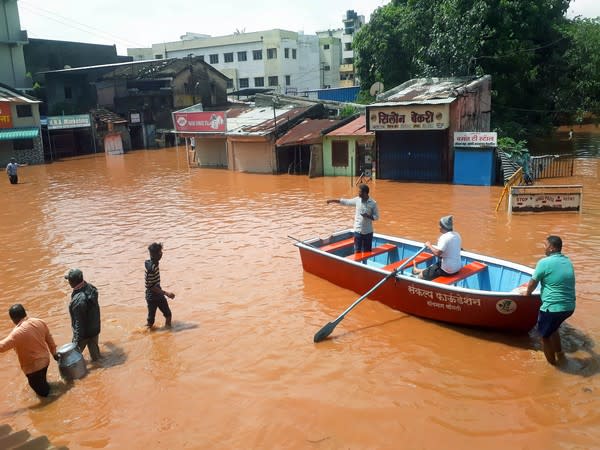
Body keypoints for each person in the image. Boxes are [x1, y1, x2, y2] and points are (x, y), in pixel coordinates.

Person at [526, 235, 576, 365]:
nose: (544, 248)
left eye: (546, 245)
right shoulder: (567, 261)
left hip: (552, 308)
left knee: (544, 336)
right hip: (569, 307)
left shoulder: (544, 262)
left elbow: (532, 284)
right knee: (553, 328)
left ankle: (553, 365)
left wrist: (527, 294)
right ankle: (560, 354)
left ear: (552, 248)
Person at [0, 304, 58, 397]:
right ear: (24, 313)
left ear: (13, 319)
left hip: (33, 368)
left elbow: (2, 347)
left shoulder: (17, 333)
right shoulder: (39, 322)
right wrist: (54, 353)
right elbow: (49, 339)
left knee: (44, 396)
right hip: (45, 361)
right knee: (43, 382)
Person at [327, 183, 379, 253]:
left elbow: (377, 217)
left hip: (368, 232)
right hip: (358, 231)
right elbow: (346, 202)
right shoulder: (357, 200)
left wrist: (368, 216)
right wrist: (332, 200)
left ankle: (364, 263)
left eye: (360, 191)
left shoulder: (373, 203)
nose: (358, 193)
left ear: (365, 193)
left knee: (367, 252)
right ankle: (356, 262)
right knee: (357, 251)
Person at [65, 269, 101, 361]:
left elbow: (79, 322)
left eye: (69, 280)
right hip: (94, 328)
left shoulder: (78, 300)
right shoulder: (91, 288)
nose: (68, 282)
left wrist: (76, 341)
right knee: (97, 358)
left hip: (84, 334)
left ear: (73, 283)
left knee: (73, 358)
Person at [413, 215, 462, 280]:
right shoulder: (457, 234)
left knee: (420, 276)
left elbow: (437, 253)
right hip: (457, 267)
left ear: (443, 227)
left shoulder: (444, 237)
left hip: (448, 270)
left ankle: (418, 275)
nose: (438, 227)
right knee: (435, 266)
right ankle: (416, 270)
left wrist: (429, 245)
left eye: (440, 225)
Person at [145, 242, 175, 328]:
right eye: (160, 252)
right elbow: (150, 286)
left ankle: (167, 335)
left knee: (167, 315)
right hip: (152, 295)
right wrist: (166, 293)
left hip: (156, 294)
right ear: (156, 255)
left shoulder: (152, 263)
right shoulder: (152, 268)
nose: (161, 254)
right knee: (151, 321)